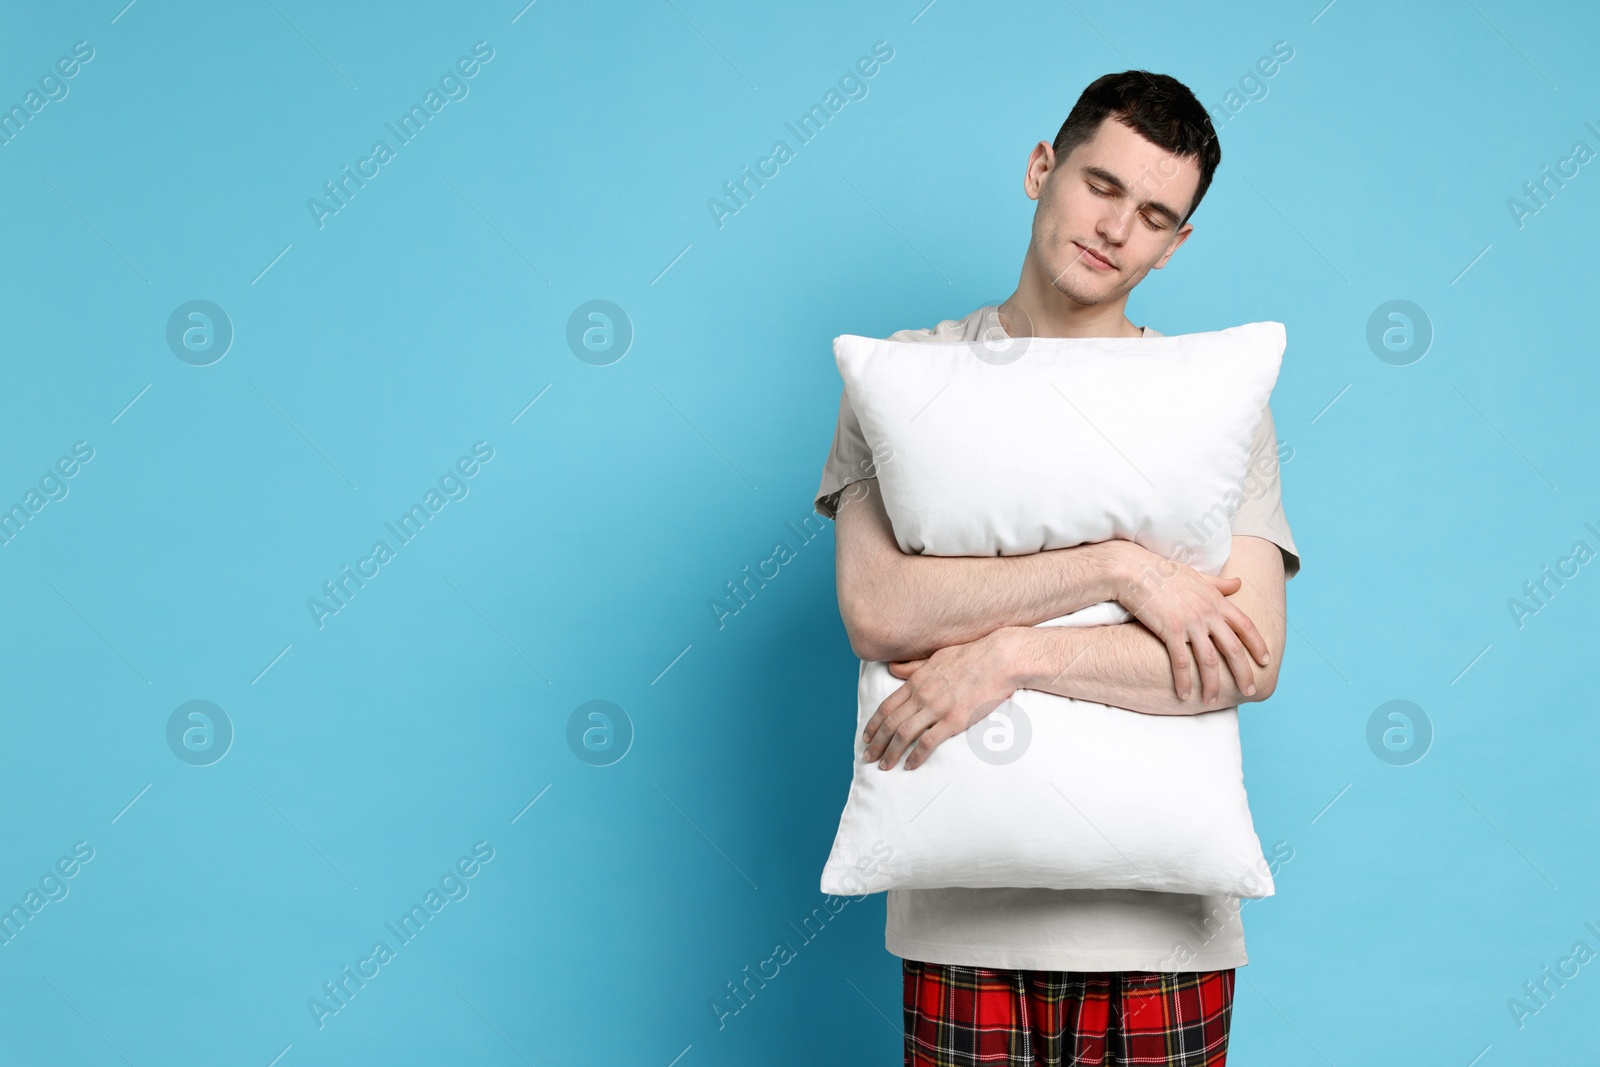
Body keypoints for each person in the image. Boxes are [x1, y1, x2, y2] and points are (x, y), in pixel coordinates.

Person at [813, 71, 1301, 1066]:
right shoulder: (907, 374)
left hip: (1166, 932)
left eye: (1155, 214)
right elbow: (877, 609)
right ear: (1042, 168)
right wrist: (1121, 567)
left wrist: (1008, 657)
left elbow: (1247, 661)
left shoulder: (1214, 405)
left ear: (1177, 244)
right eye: (1101, 186)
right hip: (965, 923)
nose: (1117, 228)